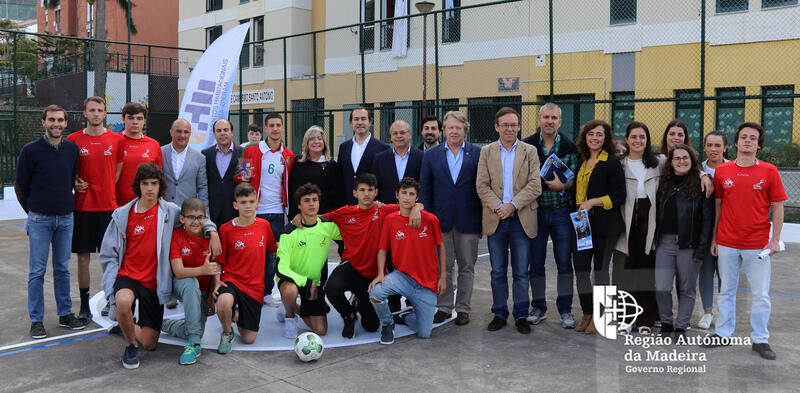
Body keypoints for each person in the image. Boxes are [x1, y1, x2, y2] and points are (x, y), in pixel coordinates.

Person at [99, 163, 220, 369]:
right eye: (145, 183)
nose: (149, 188)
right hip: (129, 276)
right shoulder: (122, 214)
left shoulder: (170, 212)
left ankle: (126, 324)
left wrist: (213, 231)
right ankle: (130, 345)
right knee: (123, 302)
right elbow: (108, 255)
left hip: (154, 282)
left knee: (150, 344)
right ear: (138, 186)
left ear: (160, 186)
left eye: (154, 183)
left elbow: (195, 217)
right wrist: (111, 290)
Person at [706, 122, 786, 360]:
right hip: (727, 241)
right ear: (736, 143)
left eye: (753, 138)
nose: (748, 141)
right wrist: (715, 237)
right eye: (744, 137)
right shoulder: (723, 171)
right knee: (726, 291)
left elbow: (778, 206)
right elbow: (718, 206)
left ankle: (760, 339)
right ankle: (723, 333)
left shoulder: (770, 171)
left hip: (758, 244)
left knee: (761, 294)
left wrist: (775, 240)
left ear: (759, 145)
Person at [317, 173, 422, 338]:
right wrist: (299, 217)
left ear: (376, 192)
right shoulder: (345, 213)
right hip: (351, 266)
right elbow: (317, 218)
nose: (366, 194)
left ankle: (358, 300)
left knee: (372, 326)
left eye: (370, 190)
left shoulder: (383, 210)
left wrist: (415, 209)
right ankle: (349, 316)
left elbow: (417, 205)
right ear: (355, 193)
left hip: (372, 275)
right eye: (362, 190)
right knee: (331, 288)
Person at [15, 104, 83, 338]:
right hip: (39, 219)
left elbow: (70, 179)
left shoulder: (72, 150)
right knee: (37, 272)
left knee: (62, 269)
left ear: (66, 123)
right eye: (51, 120)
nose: (56, 124)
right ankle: (36, 320)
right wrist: (33, 211)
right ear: (43, 122)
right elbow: (20, 186)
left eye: (60, 120)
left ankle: (65, 314)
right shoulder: (30, 150)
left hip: (66, 218)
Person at [476, 107, 542, 334]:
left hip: (521, 218)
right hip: (496, 218)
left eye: (513, 125)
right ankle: (499, 313)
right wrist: (499, 207)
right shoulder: (486, 152)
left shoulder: (530, 151)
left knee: (521, 272)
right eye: (505, 125)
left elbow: (535, 185)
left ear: (519, 127)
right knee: (497, 271)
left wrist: (513, 205)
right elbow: (481, 185)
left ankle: (521, 315)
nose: (509, 129)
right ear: (497, 127)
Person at [419, 110, 482, 326]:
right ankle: (444, 307)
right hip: (440, 220)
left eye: (458, 128)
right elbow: (425, 189)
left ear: (465, 129)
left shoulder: (477, 153)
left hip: (469, 219)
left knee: (467, 266)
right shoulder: (431, 155)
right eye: (450, 127)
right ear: (443, 130)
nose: (454, 131)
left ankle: (463, 308)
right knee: (442, 267)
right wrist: (427, 218)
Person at [521, 103, 579, 329]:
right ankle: (538, 307)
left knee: (564, 263)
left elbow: (572, 179)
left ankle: (565, 309)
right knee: (535, 263)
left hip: (561, 212)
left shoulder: (569, 147)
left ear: (560, 122)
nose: (549, 121)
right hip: (535, 212)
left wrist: (563, 186)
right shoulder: (527, 145)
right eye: (546, 117)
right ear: (539, 120)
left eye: (554, 118)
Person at [369, 178, 446, 344]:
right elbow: (382, 249)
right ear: (397, 195)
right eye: (404, 193)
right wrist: (380, 274)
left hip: (426, 283)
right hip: (402, 277)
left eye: (412, 194)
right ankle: (388, 323)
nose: (407, 197)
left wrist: (443, 277)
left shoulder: (430, 219)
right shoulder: (390, 220)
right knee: (375, 292)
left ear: (417, 198)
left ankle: (406, 316)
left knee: (424, 333)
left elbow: (440, 246)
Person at [67, 96, 120, 324]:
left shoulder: (117, 139)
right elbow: (67, 170)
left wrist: (106, 187)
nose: (96, 114)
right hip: (83, 208)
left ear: (105, 114)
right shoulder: (73, 140)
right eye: (92, 110)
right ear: (85, 113)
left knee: (111, 260)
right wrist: (74, 182)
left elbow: (118, 170)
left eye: (100, 110)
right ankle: (84, 305)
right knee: (83, 260)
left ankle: (111, 299)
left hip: (109, 208)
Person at [571, 120, 626, 334]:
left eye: (599, 134)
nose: (594, 138)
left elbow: (619, 196)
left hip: (605, 225)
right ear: (585, 137)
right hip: (581, 224)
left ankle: (603, 317)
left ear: (606, 138)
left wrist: (592, 202)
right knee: (581, 270)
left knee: (601, 272)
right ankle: (588, 312)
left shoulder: (611, 163)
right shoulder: (581, 160)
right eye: (591, 134)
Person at [236, 112, 295, 308]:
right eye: (272, 125)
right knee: (251, 253)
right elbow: (240, 176)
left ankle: (267, 292)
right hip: (255, 211)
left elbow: (287, 183)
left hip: (277, 212)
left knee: (271, 255)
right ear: (266, 128)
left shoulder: (288, 155)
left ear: (283, 127)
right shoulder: (252, 149)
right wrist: (245, 176)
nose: (275, 128)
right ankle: (248, 291)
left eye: (279, 125)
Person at [654, 144, 713, 338]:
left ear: (692, 160)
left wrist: (701, 249)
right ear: (670, 163)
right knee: (662, 287)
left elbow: (707, 221)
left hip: (689, 245)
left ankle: (681, 327)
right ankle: (666, 323)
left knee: (687, 288)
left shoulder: (701, 185)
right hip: (665, 243)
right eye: (677, 158)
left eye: (685, 157)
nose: (681, 161)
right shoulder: (664, 184)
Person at [213, 182, 278, 354]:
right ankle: (227, 332)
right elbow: (219, 260)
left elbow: (274, 248)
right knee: (224, 302)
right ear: (235, 205)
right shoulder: (226, 229)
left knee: (249, 339)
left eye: (251, 201)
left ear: (257, 203)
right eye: (243, 202)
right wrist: (216, 282)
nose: (247, 206)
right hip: (232, 280)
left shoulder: (264, 225)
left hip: (255, 287)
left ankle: (235, 313)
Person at [276, 184, 341, 338]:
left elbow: (351, 231)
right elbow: (281, 268)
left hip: (315, 283)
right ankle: (289, 314)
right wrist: (306, 282)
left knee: (320, 331)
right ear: (299, 205)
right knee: (290, 291)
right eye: (306, 200)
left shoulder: (328, 226)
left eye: (314, 200)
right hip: (292, 280)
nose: (311, 204)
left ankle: (292, 306)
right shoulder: (289, 232)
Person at [160, 198, 220, 365]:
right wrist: (203, 270)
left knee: (196, 330)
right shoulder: (176, 235)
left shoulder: (212, 238)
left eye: (200, 217)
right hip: (182, 283)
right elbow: (179, 272)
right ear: (182, 219)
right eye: (191, 217)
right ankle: (194, 345)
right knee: (190, 282)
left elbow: (216, 270)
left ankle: (158, 323)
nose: (195, 222)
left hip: (204, 290)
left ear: (206, 218)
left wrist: (211, 298)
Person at [697, 130, 729, 330]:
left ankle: (725, 314)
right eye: (709, 145)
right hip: (704, 230)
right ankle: (707, 312)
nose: (713, 149)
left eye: (717, 145)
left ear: (725, 148)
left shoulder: (733, 169)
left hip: (728, 231)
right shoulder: (697, 169)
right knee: (706, 272)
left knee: (726, 275)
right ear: (704, 147)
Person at [287, 126, 343, 219]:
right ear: (306, 142)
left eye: (320, 139)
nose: (316, 142)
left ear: (324, 142)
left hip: (325, 216)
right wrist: (297, 214)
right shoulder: (298, 163)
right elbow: (293, 191)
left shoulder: (332, 165)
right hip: (302, 217)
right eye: (312, 139)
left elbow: (336, 194)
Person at [338, 106, 390, 205]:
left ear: (370, 122)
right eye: (356, 119)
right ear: (351, 123)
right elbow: (340, 177)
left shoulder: (383, 148)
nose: (360, 122)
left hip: (372, 205)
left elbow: (385, 180)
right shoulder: (344, 147)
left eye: (363, 119)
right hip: (348, 203)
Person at [116, 102, 163, 206]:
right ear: (123, 119)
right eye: (131, 118)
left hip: (145, 204)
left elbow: (158, 178)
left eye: (139, 118)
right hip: (117, 204)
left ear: (144, 120)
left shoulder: (154, 145)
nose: (135, 122)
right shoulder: (113, 141)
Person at [201, 119, 244, 228]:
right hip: (213, 210)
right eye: (219, 131)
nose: (222, 133)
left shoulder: (242, 153)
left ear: (232, 132)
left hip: (235, 210)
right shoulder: (206, 154)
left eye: (226, 130)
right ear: (214, 134)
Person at [161, 118, 209, 211]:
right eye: (178, 131)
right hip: (164, 210)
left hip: (189, 212)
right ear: (171, 132)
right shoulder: (160, 153)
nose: (182, 135)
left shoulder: (199, 158)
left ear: (190, 134)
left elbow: (202, 188)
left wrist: (205, 214)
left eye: (186, 132)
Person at [372, 120, 424, 204]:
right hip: (387, 207)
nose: (399, 136)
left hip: (413, 208)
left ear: (410, 135)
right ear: (391, 137)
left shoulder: (422, 157)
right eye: (395, 133)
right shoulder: (380, 159)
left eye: (402, 133)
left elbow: (424, 185)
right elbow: (375, 185)